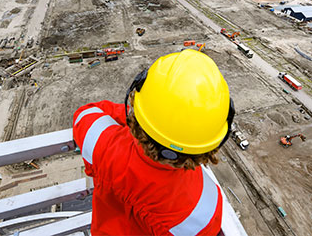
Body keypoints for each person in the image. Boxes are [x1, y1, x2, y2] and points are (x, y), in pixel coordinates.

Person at [73, 49, 234, 236]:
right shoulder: (205, 205)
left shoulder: (105, 147)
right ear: (211, 143)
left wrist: (133, 118)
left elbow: (85, 114)